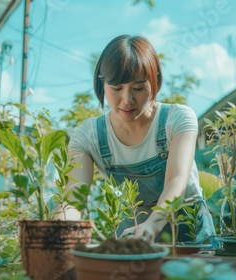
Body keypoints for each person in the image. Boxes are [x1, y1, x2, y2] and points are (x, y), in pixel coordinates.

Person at [59, 34, 217, 245]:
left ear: (155, 81)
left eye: (138, 88)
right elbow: (73, 199)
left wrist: (152, 225)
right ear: (102, 84)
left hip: (188, 232)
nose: (127, 99)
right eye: (117, 89)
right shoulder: (88, 136)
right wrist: (61, 228)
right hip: (133, 231)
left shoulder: (178, 119)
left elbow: (176, 180)